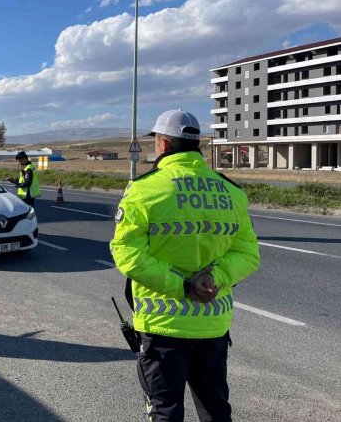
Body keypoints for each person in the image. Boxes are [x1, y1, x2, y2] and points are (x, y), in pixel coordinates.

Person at [110, 109, 260, 422]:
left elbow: (127, 254)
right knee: (216, 411)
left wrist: (183, 286)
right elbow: (248, 254)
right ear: (196, 146)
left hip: (163, 329)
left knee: (165, 411)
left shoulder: (144, 189)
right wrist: (215, 278)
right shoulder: (231, 192)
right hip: (213, 327)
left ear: (163, 144)